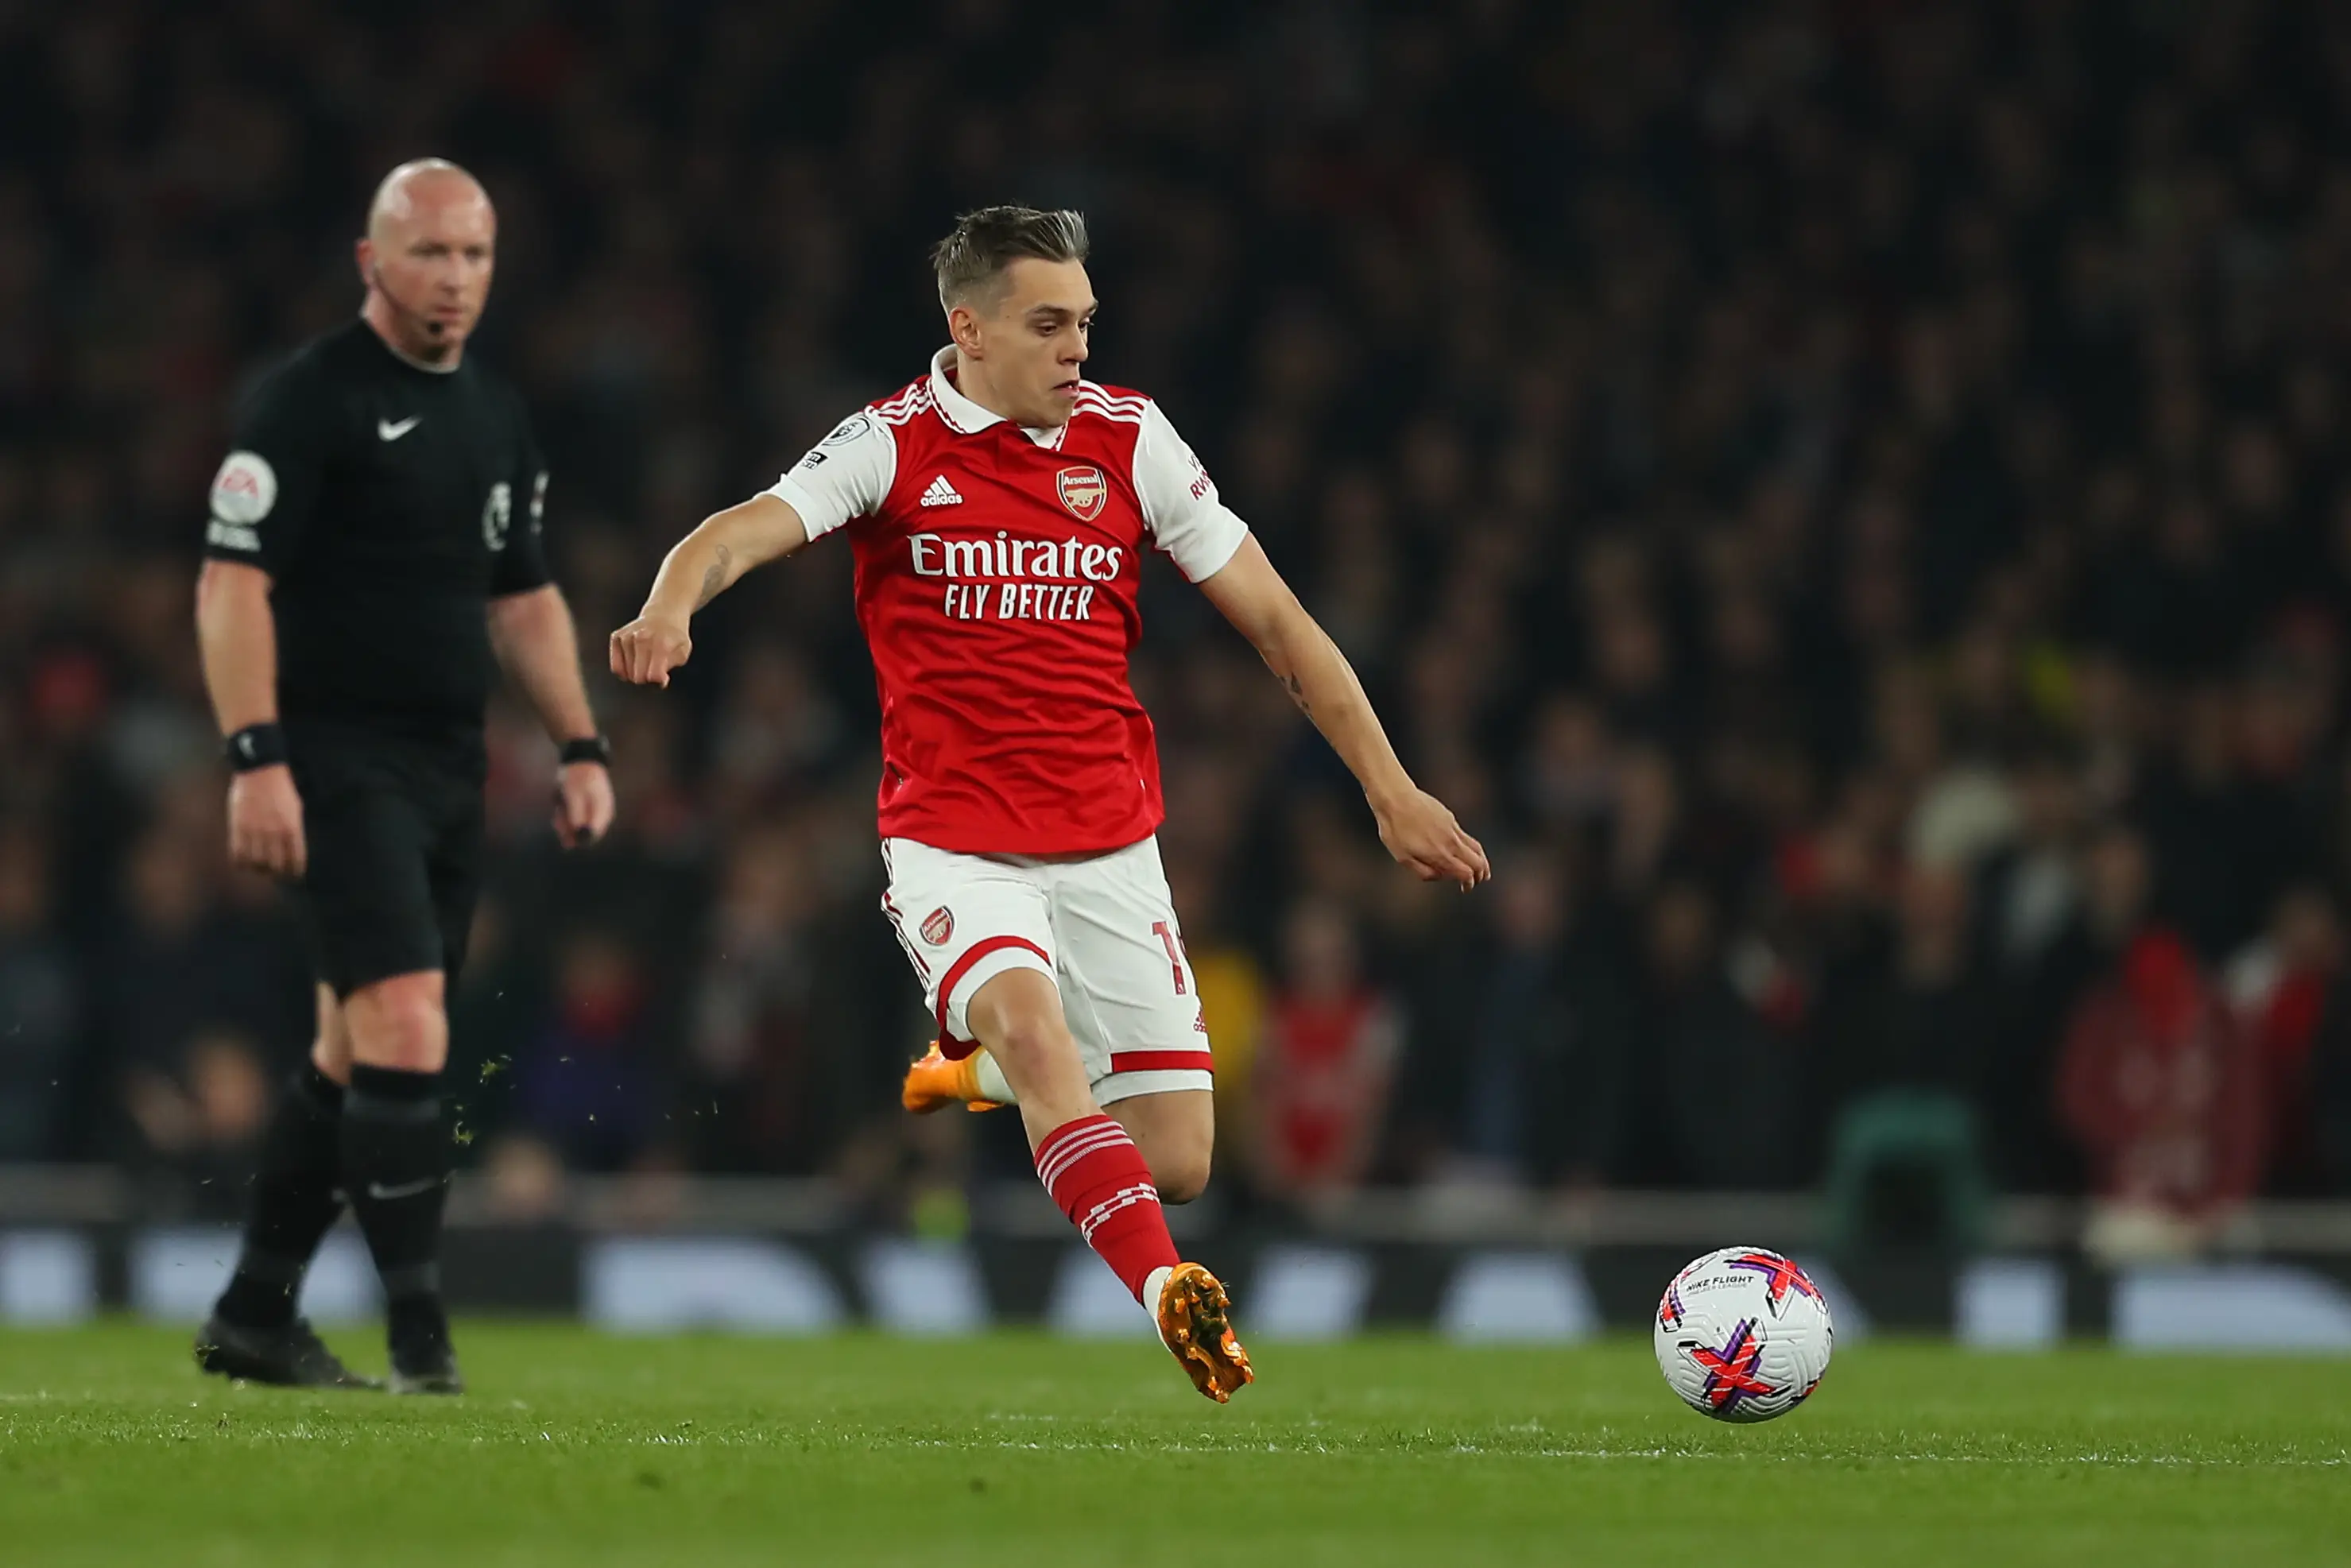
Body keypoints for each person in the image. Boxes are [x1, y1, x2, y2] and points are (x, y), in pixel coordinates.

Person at [611, 206, 1487, 1400]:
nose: (1076, 347)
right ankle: (1170, 1292)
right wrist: (673, 607)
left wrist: (1389, 790)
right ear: (966, 329)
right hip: (952, 848)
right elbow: (735, 532)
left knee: (1174, 1155)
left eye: (1083, 321)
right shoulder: (892, 443)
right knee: (1038, 1039)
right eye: (1047, 323)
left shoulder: (1130, 441)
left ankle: (963, 1073)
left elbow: (1278, 621)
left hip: (1108, 845)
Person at [192, 160, 614, 1392]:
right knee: (410, 1023)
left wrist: (581, 743)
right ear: (373, 262)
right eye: (430, 253)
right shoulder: (305, 402)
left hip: (446, 771)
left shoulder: (494, 415)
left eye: (475, 255)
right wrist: (255, 758)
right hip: (330, 758)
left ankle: (256, 1312)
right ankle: (423, 1338)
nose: (455, 278)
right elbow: (230, 586)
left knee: (348, 1050)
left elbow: (524, 595)